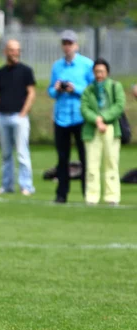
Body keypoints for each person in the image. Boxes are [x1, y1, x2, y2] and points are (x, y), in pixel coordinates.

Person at [48, 30, 94, 203]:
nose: (67, 47)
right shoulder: (57, 66)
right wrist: (58, 88)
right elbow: (51, 91)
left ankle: (88, 193)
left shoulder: (86, 65)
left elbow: (92, 91)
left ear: (76, 45)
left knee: (84, 157)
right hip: (61, 117)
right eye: (65, 43)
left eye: (70, 43)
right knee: (62, 157)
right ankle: (61, 194)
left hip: (80, 117)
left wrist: (76, 89)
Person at [0, 39, 36, 196]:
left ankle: (26, 185)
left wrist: (24, 112)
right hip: (3, 116)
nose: (14, 53)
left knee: (22, 153)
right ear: (6, 51)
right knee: (6, 154)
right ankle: (7, 185)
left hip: (19, 117)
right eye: (11, 49)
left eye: (17, 49)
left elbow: (31, 92)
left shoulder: (26, 71)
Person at [80, 58, 125, 205]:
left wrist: (104, 118)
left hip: (111, 128)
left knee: (111, 163)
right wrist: (96, 120)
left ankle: (112, 196)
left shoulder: (115, 86)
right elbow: (84, 108)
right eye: (96, 72)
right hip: (92, 129)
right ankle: (92, 196)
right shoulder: (89, 89)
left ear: (107, 72)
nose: (99, 75)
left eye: (101, 71)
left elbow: (119, 105)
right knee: (92, 164)